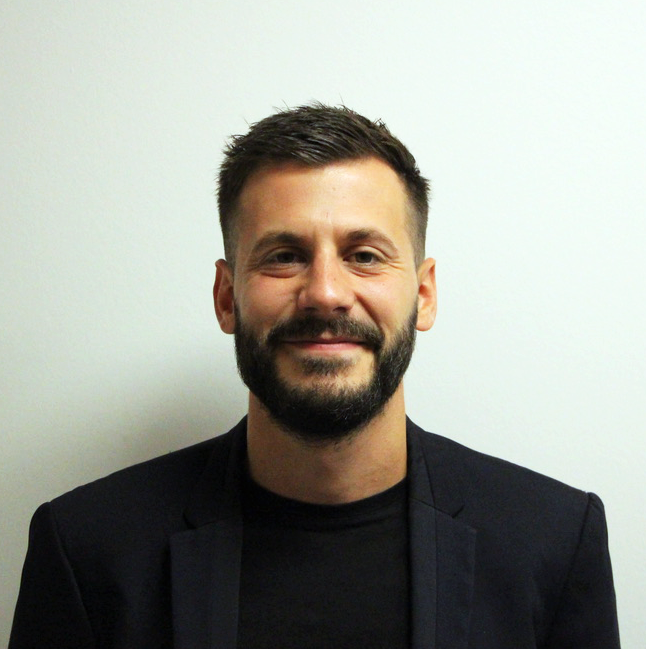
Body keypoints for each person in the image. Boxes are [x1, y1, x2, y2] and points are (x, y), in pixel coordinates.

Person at [10, 104, 620, 648]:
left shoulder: (555, 543)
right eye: (284, 257)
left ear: (424, 294)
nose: (326, 293)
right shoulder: (86, 550)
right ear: (226, 297)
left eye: (364, 256)